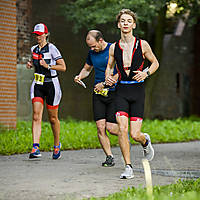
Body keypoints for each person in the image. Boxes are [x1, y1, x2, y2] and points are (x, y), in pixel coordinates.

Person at [105, 9, 159, 179]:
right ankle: (128, 166)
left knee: (135, 134)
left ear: (134, 24)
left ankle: (145, 141)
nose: (126, 23)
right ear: (118, 24)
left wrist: (146, 73)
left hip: (137, 91)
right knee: (122, 129)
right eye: (123, 21)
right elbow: (109, 67)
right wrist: (108, 77)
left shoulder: (142, 45)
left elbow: (155, 63)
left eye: (129, 21)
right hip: (121, 90)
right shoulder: (114, 47)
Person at [74, 30, 119, 167]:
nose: (92, 49)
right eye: (90, 47)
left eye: (94, 46)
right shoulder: (92, 53)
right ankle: (109, 156)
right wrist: (80, 76)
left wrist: (106, 83)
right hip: (98, 93)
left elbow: (122, 71)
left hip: (114, 92)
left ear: (100, 40)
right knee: (100, 127)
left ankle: (126, 134)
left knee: (111, 128)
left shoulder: (113, 49)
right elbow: (87, 69)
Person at [26, 23, 66, 159]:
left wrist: (48, 65)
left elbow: (63, 67)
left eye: (40, 34)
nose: (37, 37)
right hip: (38, 84)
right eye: (35, 35)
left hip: (51, 85)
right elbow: (35, 63)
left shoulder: (52, 49)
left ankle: (56, 145)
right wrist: (31, 64)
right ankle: (35, 147)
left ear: (46, 34)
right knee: (36, 115)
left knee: (53, 118)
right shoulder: (34, 49)